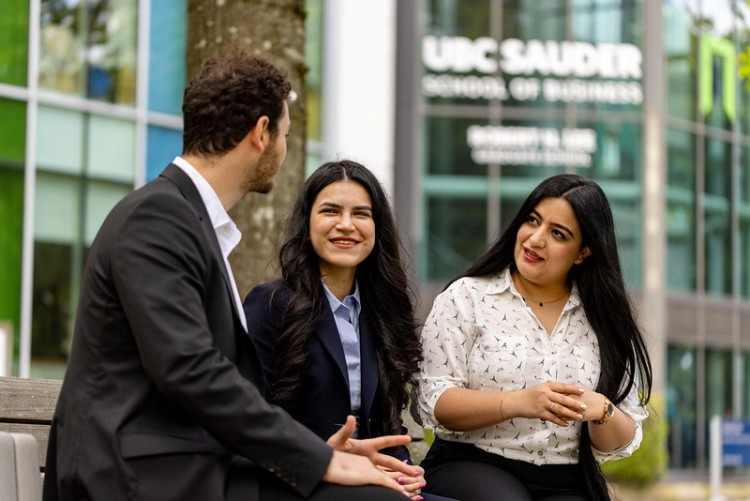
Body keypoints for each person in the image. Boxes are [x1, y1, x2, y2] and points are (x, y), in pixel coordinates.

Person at [43, 50, 419, 501]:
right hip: (139, 476)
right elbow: (189, 369)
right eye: (285, 134)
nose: (284, 149)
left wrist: (315, 451)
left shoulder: (187, 219)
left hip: (198, 467)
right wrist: (320, 459)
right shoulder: (159, 217)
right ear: (262, 133)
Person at [415, 174, 653, 501]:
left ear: (583, 252)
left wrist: (603, 410)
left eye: (558, 233)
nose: (535, 238)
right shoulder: (466, 298)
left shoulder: (605, 319)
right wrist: (518, 403)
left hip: (567, 477)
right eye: (532, 220)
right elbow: (435, 400)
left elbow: (620, 442)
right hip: (472, 461)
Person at [243, 160, 456, 501]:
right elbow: (249, 420)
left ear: (376, 226)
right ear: (307, 222)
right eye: (330, 211)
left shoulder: (382, 311)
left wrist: (403, 469)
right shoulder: (269, 305)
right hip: (294, 480)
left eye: (360, 213)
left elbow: (387, 422)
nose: (346, 225)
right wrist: (323, 455)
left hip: (366, 479)